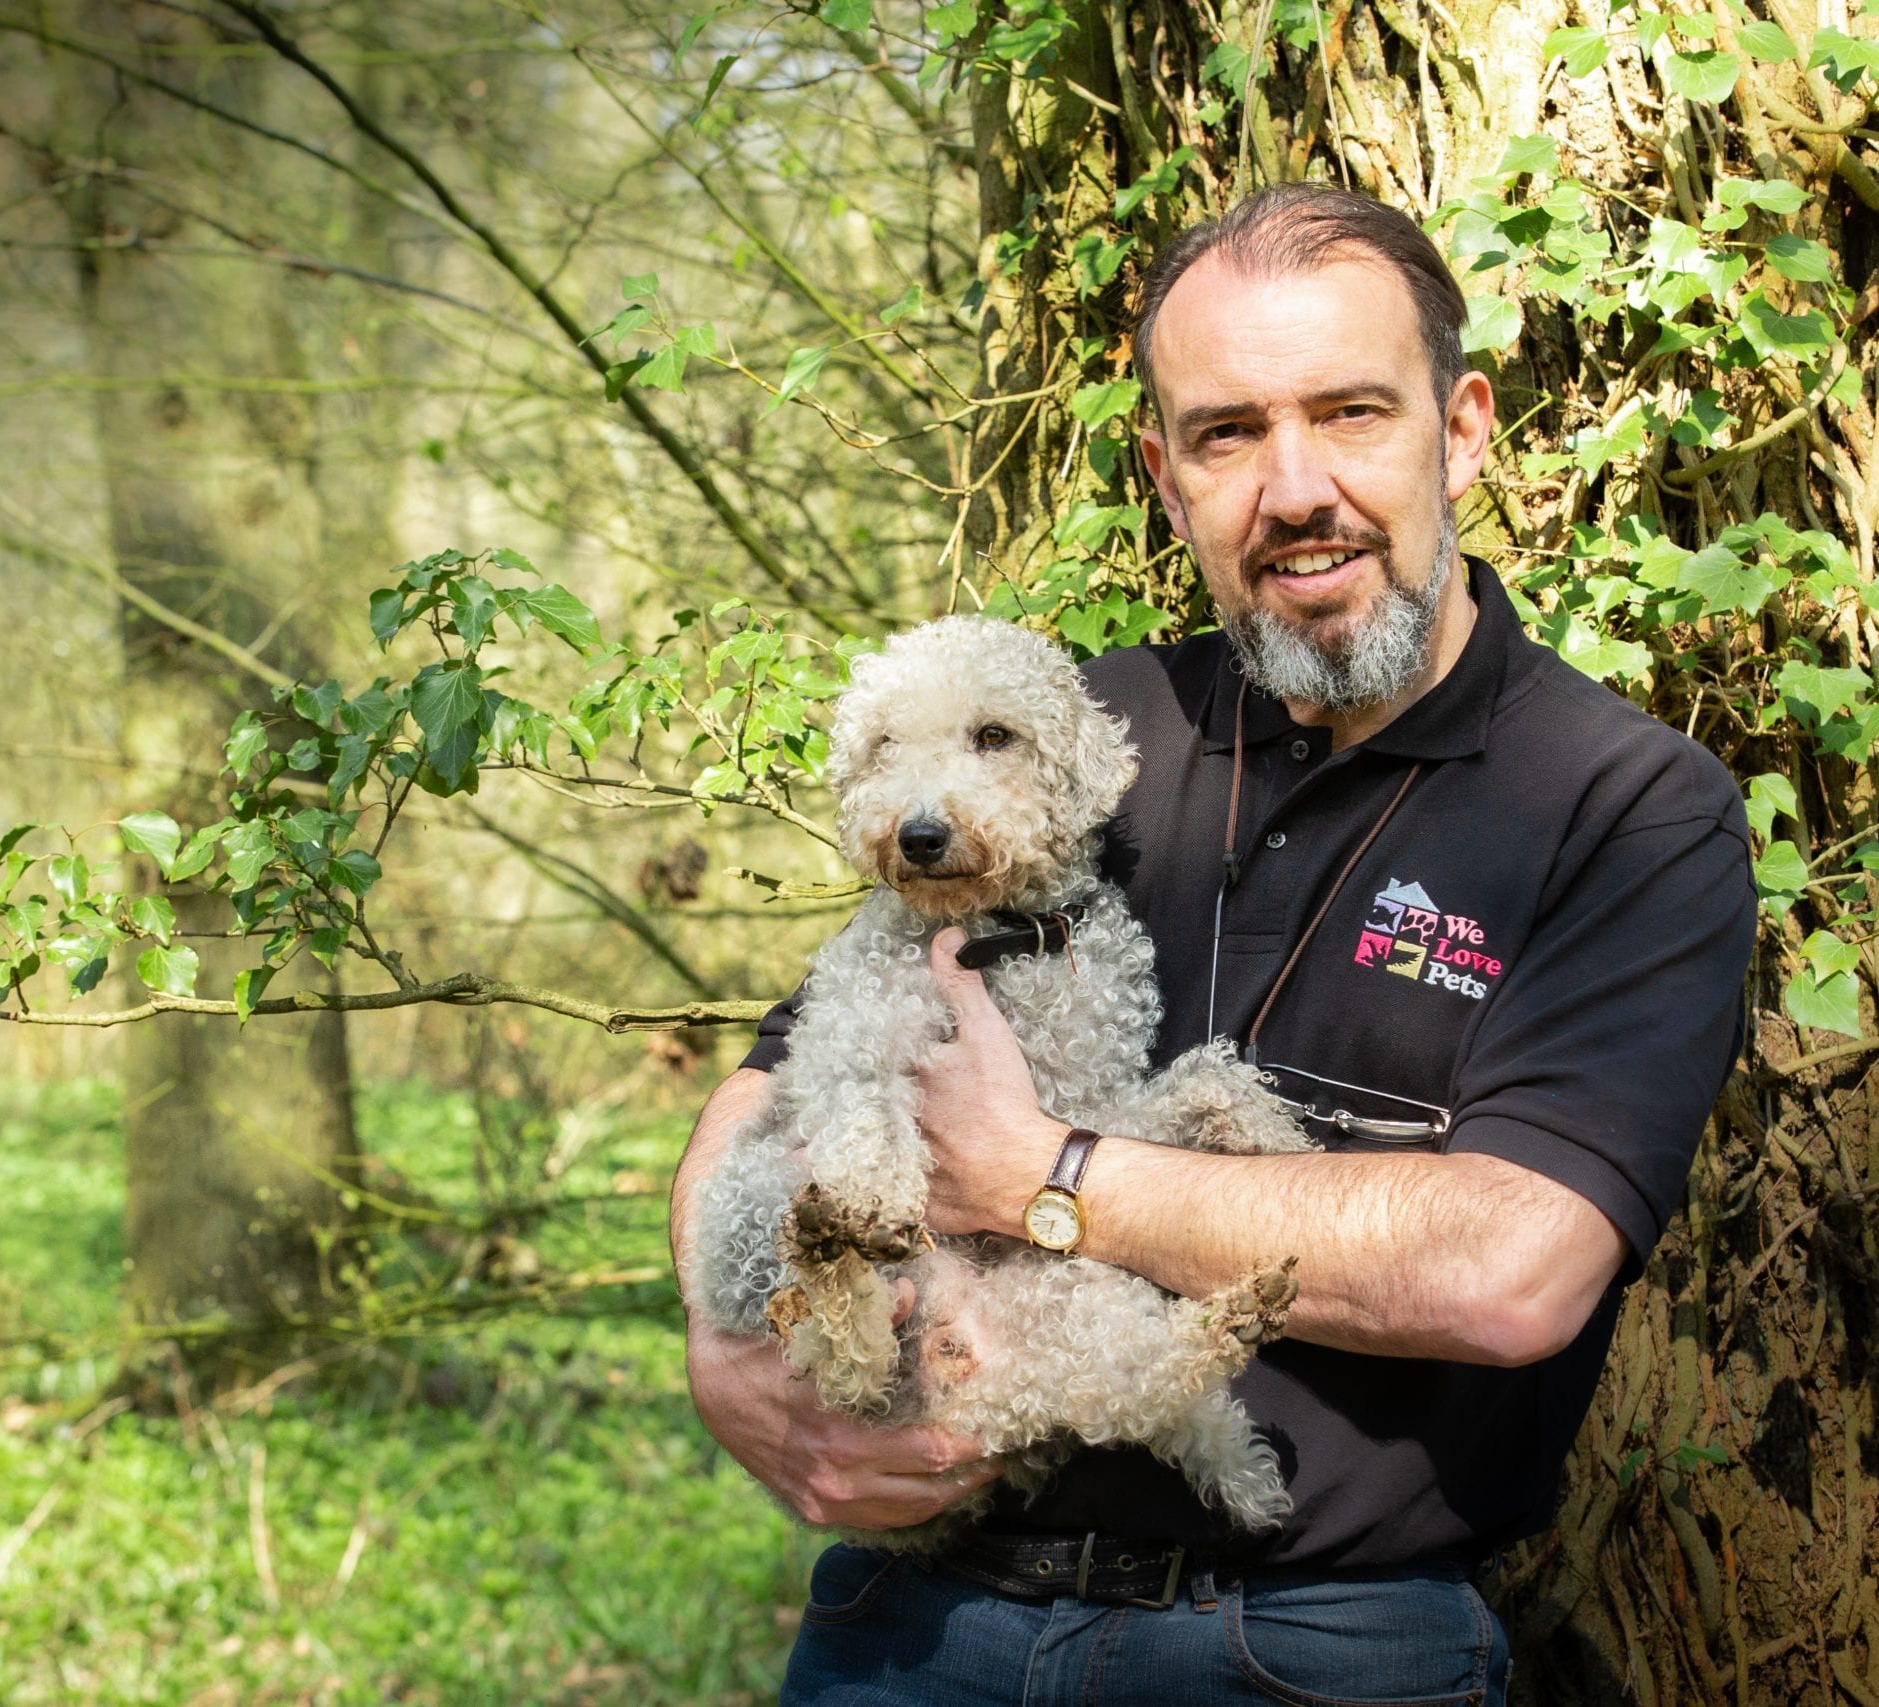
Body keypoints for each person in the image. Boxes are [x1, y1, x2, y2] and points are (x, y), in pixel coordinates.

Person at [667, 184, 1757, 1706]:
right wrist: (725, 1345)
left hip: (1315, 1641)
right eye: (1229, 432)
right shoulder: (1063, 726)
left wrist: (1044, 1177)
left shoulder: (1627, 810)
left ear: (1463, 430)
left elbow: (1516, 1270)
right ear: (1167, 477)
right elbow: (776, 1075)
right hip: (915, 1620)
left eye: (1353, 413)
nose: (1295, 487)